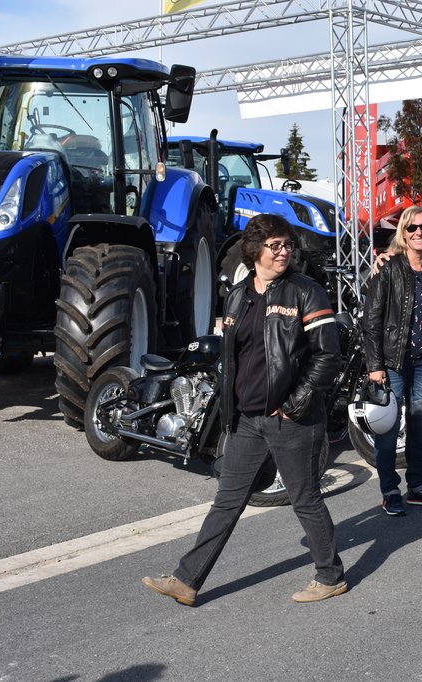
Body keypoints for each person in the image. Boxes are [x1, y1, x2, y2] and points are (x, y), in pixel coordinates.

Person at [143, 213, 347, 606]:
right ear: (255, 251)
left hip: (292, 418)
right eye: (275, 245)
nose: (284, 252)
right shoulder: (238, 295)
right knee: (227, 501)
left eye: (287, 244)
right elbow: (234, 357)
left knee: (305, 498)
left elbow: (328, 356)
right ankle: (186, 581)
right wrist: (228, 410)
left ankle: (330, 576)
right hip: (248, 419)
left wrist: (296, 402)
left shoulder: (306, 292)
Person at [363, 205, 422, 516]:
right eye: (412, 228)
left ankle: (417, 486)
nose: (418, 233)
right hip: (392, 362)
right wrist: (375, 365)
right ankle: (390, 490)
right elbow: (371, 319)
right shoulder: (389, 268)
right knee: (388, 429)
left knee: (421, 426)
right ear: (403, 232)